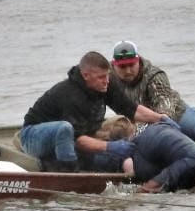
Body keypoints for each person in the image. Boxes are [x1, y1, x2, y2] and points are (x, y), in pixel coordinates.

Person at [19, 51, 164, 171]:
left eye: (107, 75)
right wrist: (110, 146)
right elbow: (77, 140)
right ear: (86, 76)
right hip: (33, 136)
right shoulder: (70, 95)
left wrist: (161, 118)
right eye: (101, 77)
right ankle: (68, 172)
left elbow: (131, 109)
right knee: (65, 130)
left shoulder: (105, 83)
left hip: (80, 133)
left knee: (123, 125)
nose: (106, 81)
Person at [98, 116, 195, 193]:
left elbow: (129, 167)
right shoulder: (160, 127)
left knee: (141, 193)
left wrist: (140, 191)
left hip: (191, 160)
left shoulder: (133, 149)